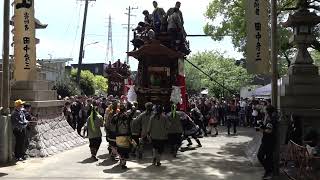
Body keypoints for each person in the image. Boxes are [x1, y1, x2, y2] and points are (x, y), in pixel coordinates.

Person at [257, 105, 277, 180]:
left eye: (265, 110)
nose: (264, 110)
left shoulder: (271, 119)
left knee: (261, 156)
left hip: (269, 142)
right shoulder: (268, 118)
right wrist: (262, 125)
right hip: (266, 140)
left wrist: (261, 130)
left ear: (268, 111)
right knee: (266, 157)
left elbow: (269, 130)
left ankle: (269, 171)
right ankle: (269, 171)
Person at [114, 104, 132, 169]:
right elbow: (131, 124)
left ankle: (122, 162)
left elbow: (112, 123)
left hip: (118, 136)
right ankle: (123, 164)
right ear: (125, 109)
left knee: (120, 150)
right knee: (125, 151)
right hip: (126, 136)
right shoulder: (128, 116)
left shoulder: (116, 116)